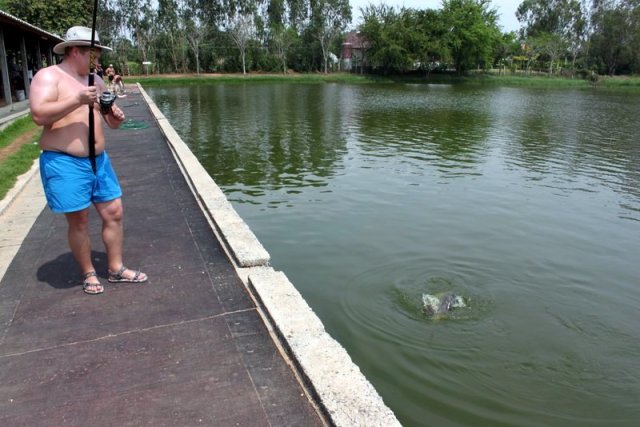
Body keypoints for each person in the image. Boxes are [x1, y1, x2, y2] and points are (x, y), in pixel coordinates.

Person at [29, 26, 147, 295]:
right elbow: (39, 114)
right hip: (64, 161)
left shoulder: (96, 80)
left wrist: (114, 117)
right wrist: (76, 99)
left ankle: (116, 269)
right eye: (92, 55)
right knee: (79, 219)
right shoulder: (49, 77)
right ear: (74, 51)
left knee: (114, 211)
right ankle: (88, 272)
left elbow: (109, 121)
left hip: (99, 161)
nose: (96, 61)